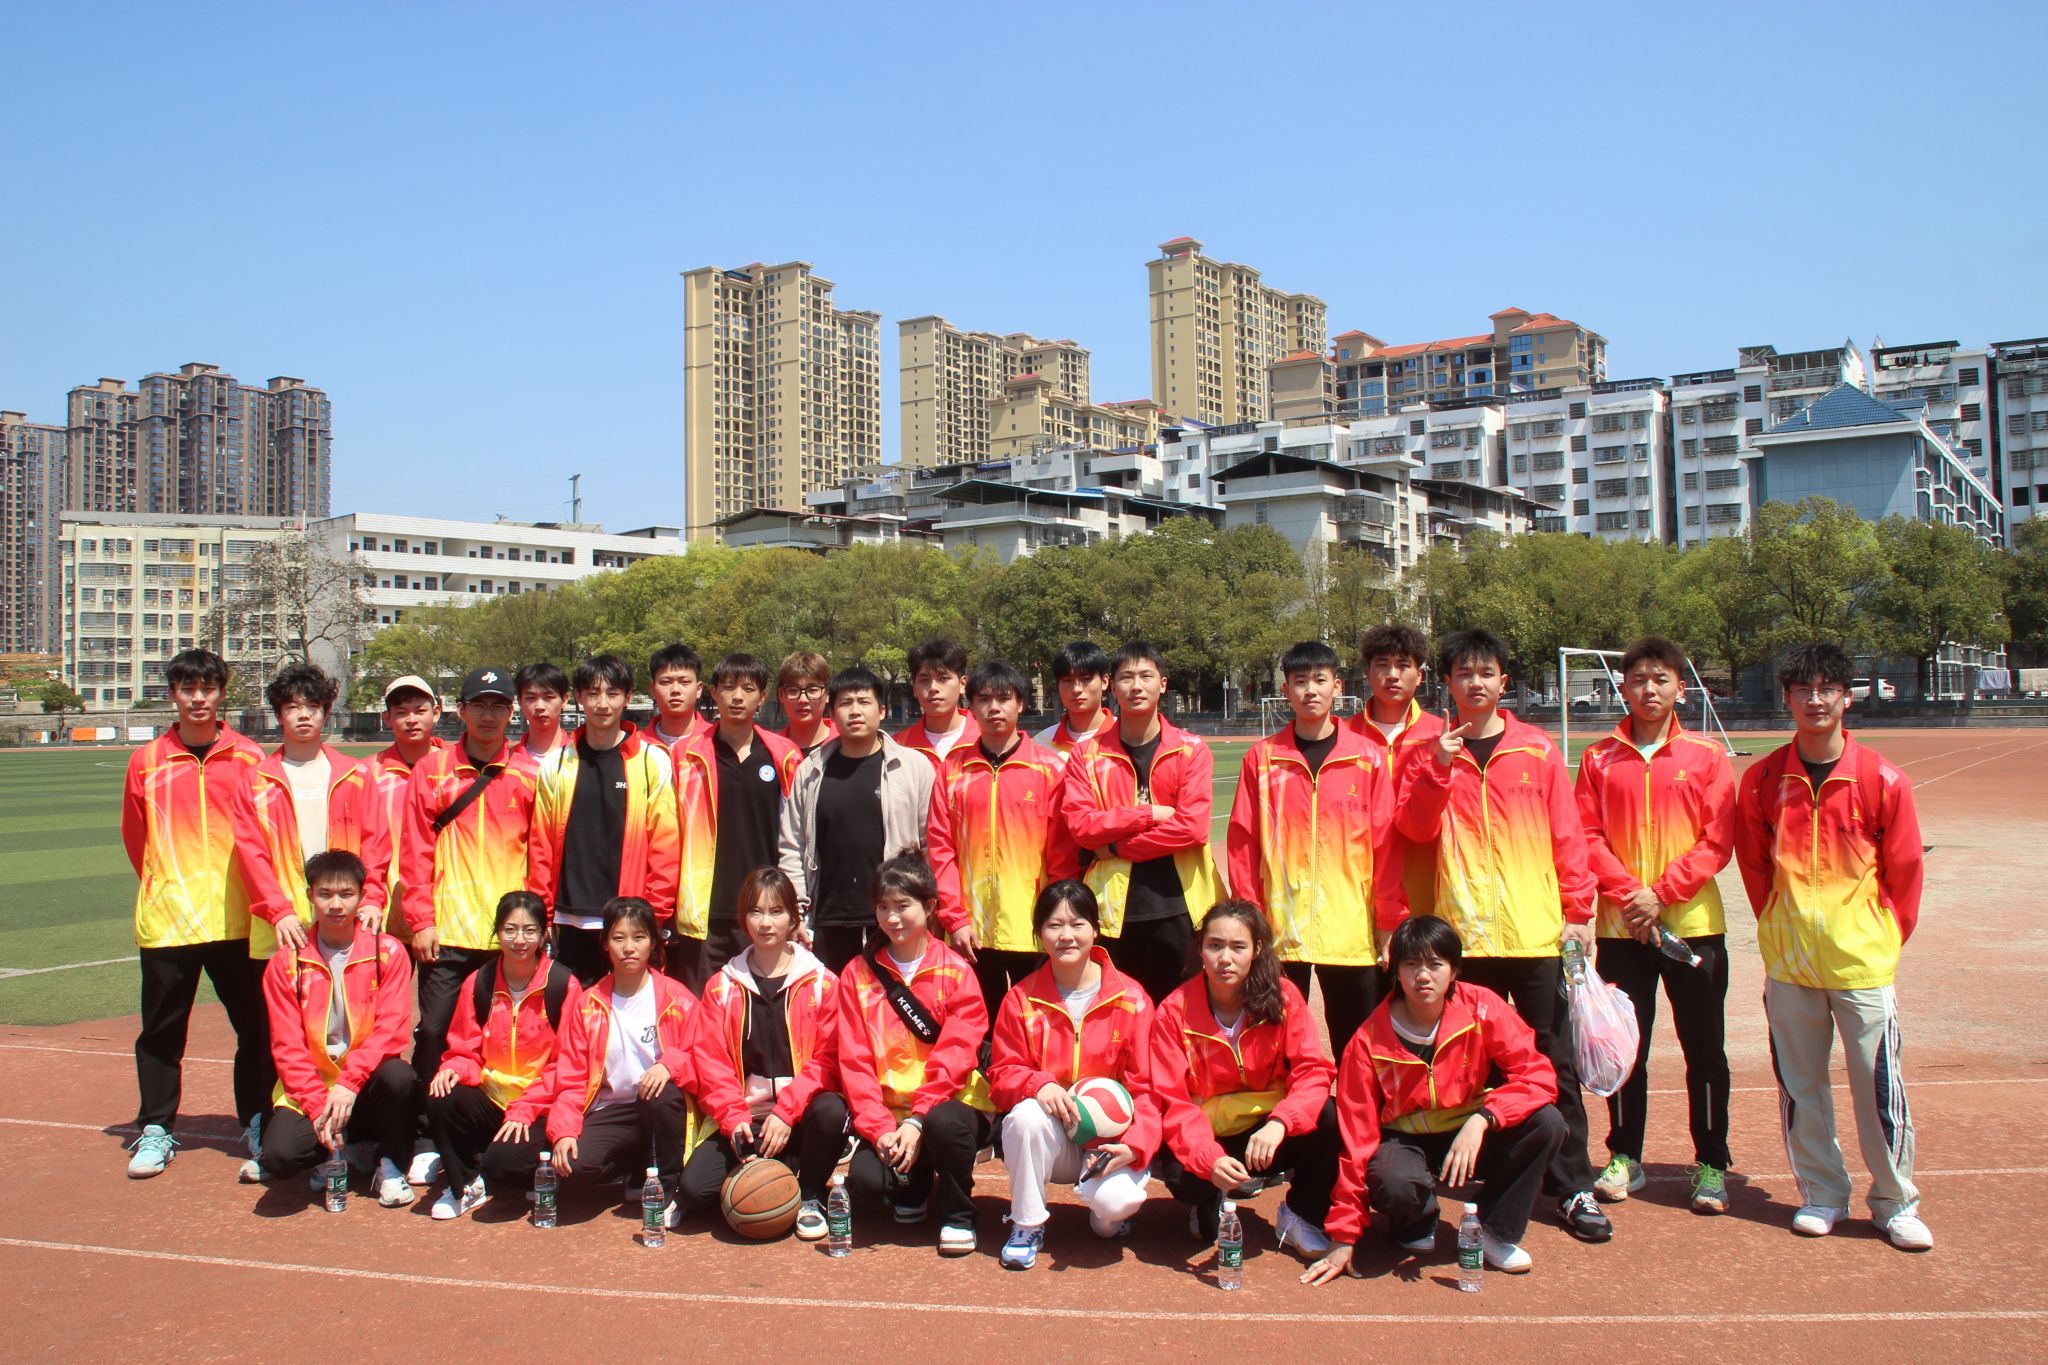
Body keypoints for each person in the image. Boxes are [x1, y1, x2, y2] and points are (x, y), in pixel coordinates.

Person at [1397, 628, 1611, 1243]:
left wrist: (1578, 911)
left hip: (1534, 933)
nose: (1476, 683)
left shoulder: (1537, 749)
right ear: (1448, 684)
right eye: (1464, 674)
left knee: (1552, 1060)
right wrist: (1438, 767)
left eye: (1486, 673)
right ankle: (1491, 1171)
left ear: (1503, 682)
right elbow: (1413, 829)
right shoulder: (1428, 752)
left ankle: (1571, 1186)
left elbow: (1567, 834)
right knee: (1472, 1063)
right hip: (1463, 938)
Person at [1735, 641, 1930, 1251]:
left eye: (1826, 689)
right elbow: (1755, 867)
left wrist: (1881, 935)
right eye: (1803, 690)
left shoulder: (1881, 779)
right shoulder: (1764, 780)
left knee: (1878, 1088)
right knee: (1802, 1088)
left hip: (1862, 962)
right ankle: (1822, 1193)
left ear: (1847, 697)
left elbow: (1904, 872)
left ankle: (1894, 1202)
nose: (1815, 700)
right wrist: (1779, 925)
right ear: (1787, 698)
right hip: (1790, 964)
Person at [1302, 916, 1565, 1285]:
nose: (1422, 976)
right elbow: (1355, 1141)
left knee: (1547, 1123)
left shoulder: (1483, 1008)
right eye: (1411, 964)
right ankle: (1415, 1220)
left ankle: (1494, 1230)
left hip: (1467, 1133)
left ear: (1454, 970)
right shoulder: (1367, 1041)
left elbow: (1537, 1076)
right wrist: (1344, 1237)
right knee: (1393, 1179)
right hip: (1404, 1142)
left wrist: (1484, 1119)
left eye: (1435, 964)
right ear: (1395, 971)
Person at [1574, 637, 1736, 1214]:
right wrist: (1630, 896)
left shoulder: (1707, 756)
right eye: (1639, 679)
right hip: (1623, 930)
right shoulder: (1598, 758)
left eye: (1660, 679)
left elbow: (1717, 840)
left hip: (1692, 926)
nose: (1649, 689)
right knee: (1624, 1049)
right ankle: (1625, 1156)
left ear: (1680, 688)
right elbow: (1586, 836)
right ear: (1623, 687)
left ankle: (1711, 1162)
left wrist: (1661, 894)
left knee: (1705, 1049)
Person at [121, 648, 276, 1180]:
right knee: (161, 1032)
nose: (198, 698)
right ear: (173, 694)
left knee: (255, 1028)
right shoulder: (146, 761)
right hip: (169, 920)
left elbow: (265, 836)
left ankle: (257, 1119)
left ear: (221, 693)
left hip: (239, 921)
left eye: (207, 688)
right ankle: (156, 1128)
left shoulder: (249, 757)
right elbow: (136, 837)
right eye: (187, 688)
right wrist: (166, 883)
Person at [239, 662, 392, 1181]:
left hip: (345, 920)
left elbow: (376, 842)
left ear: (326, 712)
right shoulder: (256, 779)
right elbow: (251, 852)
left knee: (356, 1025)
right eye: (291, 707)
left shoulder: (354, 773)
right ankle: (273, 1130)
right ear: (278, 715)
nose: (302, 716)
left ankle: (357, 1129)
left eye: (312, 706)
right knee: (276, 1035)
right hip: (282, 927)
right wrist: (278, 909)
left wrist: (372, 897)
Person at [1227, 639, 1404, 1058]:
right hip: (1279, 927)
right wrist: (1251, 916)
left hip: (1350, 928)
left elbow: (1386, 843)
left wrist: (1388, 919)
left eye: (1320, 680)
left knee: (1358, 1046)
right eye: (1300, 681)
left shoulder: (1367, 758)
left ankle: (1358, 1105)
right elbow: (1243, 841)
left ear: (1336, 687)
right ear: (1285, 690)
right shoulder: (1263, 758)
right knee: (1278, 1044)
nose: (1311, 690)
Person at [400, 665, 540, 1186]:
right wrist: (421, 920)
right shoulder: (433, 770)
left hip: (510, 939)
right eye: (479, 704)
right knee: (434, 1033)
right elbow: (415, 852)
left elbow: (541, 855)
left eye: (498, 706)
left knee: (509, 1038)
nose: (488, 715)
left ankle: (487, 1129)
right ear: (460, 711)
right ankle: (425, 1136)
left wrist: (538, 922)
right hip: (450, 932)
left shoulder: (527, 773)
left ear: (511, 713)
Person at [988, 881, 1159, 1270]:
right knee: (1024, 1118)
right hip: (1056, 1135)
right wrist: (1038, 1084)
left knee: (1114, 1208)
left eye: (1077, 923)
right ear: (1039, 934)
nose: (1066, 935)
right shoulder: (1021, 999)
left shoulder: (1132, 999)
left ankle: (1107, 1214)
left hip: (1110, 1142)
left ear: (1096, 930)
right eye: (1054, 925)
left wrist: (1135, 1144)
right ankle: (1027, 1224)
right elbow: (1000, 1075)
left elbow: (1148, 1089)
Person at [1149, 901, 1339, 1251]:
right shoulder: (1173, 1012)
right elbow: (1173, 1101)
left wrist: (1281, 1122)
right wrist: (1208, 1157)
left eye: (1238, 947)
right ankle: (1210, 1197)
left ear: (1257, 950)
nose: (1225, 958)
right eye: (1215, 945)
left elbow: (1312, 1071)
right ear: (1200, 949)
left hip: (1266, 1130)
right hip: (1208, 1132)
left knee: (1330, 1116)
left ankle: (1300, 1213)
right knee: (1184, 1179)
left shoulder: (1284, 998)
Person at [834, 854, 993, 1256]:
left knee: (945, 1125)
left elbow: (957, 1056)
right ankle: (914, 1187)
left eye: (903, 906)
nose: (892, 918)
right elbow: (854, 1062)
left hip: (948, 1104)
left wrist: (918, 1119)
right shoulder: (856, 974)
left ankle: (958, 1215)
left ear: (930, 906)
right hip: (889, 1112)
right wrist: (879, 1129)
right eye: (883, 907)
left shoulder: (956, 971)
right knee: (867, 1182)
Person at [682, 868, 849, 1238]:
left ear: (793, 917)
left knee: (831, 1110)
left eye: (776, 911)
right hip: (749, 1117)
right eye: (755, 912)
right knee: (695, 1191)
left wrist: (787, 1113)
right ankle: (777, 1169)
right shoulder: (722, 986)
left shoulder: (822, 983)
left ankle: (810, 1195)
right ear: (743, 917)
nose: (765, 922)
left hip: (801, 1117)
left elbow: (827, 1060)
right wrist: (733, 1118)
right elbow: (710, 1063)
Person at [1059, 640, 1222, 1008]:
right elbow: (1082, 827)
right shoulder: (1087, 755)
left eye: (1146, 676)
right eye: (1126, 677)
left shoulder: (1191, 749)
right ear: (1112, 687)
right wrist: (1148, 814)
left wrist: (1117, 847)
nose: (1136, 686)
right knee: (1120, 1014)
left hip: (1183, 908)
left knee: (1182, 1014)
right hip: (1113, 912)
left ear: (1162, 684)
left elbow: (1192, 829)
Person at [256, 850, 418, 1208]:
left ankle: (390, 1163)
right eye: (325, 894)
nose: (335, 905)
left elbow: (391, 1031)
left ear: (362, 896)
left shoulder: (388, 952)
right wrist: (317, 1106)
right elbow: (287, 1046)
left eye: (346, 894)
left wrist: (349, 1083)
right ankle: (338, 1147)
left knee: (400, 1078)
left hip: (366, 1082)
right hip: (313, 1086)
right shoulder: (287, 962)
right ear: (309, 896)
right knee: (281, 1156)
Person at [928, 659, 1080, 1025]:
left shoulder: (1050, 769)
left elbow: (1062, 855)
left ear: (1021, 704)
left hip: (1033, 927)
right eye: (984, 699)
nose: (994, 708)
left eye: (1004, 698)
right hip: (971, 932)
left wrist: (1055, 918)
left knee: (1036, 1025)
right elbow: (940, 849)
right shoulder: (952, 770)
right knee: (977, 1027)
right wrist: (954, 919)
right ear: (971, 706)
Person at [539, 896, 696, 1227]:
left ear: (653, 942)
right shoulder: (587, 1004)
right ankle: (634, 1166)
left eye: (639, 937)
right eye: (618, 938)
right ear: (604, 943)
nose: (629, 948)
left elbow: (702, 1053)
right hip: (613, 1109)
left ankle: (668, 1189)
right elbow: (571, 1077)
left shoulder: (678, 998)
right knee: (574, 1170)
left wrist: (669, 1064)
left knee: (663, 1095)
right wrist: (564, 1130)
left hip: (662, 1106)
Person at [527, 655, 681, 986]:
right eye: (593, 693)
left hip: (625, 920)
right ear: (578, 697)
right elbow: (540, 846)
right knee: (569, 1010)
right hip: (568, 917)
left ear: (628, 697)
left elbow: (665, 846)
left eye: (612, 693)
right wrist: (541, 913)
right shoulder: (557, 763)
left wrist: (653, 914)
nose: (602, 704)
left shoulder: (651, 761)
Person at [423, 890, 577, 1219]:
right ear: (497, 931)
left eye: (529, 930)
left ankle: (519, 1168)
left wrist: (526, 1108)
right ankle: (465, 1185)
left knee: (504, 1165)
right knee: (442, 1094)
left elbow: (567, 1066)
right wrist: (455, 1067)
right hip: (492, 1097)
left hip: (539, 1106)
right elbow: (463, 1046)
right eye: (510, 930)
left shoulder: (563, 985)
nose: (519, 940)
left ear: (543, 935)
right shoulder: (479, 982)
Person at [779, 666, 937, 973]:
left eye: (864, 702)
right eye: (845, 703)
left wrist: (925, 907)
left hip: (894, 917)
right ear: (831, 712)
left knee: (893, 998)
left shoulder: (913, 767)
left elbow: (930, 843)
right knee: (832, 998)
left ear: (882, 710)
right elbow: (792, 846)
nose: (855, 711)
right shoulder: (811, 770)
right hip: (827, 917)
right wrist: (796, 909)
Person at [672, 653, 802, 989]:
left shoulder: (784, 755)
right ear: (713, 693)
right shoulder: (686, 755)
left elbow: (797, 835)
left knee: (760, 1003)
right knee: (702, 1004)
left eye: (748, 688)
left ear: (762, 696)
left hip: (765, 908)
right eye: (729, 688)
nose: (737, 697)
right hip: (705, 909)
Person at [1349, 623, 1443, 927]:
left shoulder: (1443, 737)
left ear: (1420, 675)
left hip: (1426, 889)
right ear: (1367, 672)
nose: (1392, 675)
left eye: (1403, 665)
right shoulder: (1342, 737)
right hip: (1355, 888)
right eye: (1382, 665)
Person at [365, 675, 444, 937]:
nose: (411, 719)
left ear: (436, 713)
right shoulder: (367, 773)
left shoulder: (456, 769)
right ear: (387, 718)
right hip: (387, 912)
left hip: (447, 910)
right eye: (401, 712)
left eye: (420, 711)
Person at [894, 638, 978, 766]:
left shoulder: (987, 738)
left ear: (962, 684)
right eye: (924, 680)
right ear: (915, 688)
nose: (933, 688)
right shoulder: (897, 748)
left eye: (943, 678)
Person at [1031, 640, 1114, 767]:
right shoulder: (1040, 745)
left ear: (1104, 682)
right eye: (1067, 680)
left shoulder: (1125, 736)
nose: (1076, 689)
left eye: (1086, 679)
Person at [646, 643, 712, 750]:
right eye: (666, 682)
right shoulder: (635, 746)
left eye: (684, 682)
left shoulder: (717, 741)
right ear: (653, 690)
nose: (675, 690)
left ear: (698, 689)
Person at [775, 650, 838, 755]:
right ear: (781, 695)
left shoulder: (846, 742)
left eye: (812, 690)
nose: (803, 699)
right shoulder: (771, 751)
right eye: (793, 690)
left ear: (828, 694)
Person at [514, 661, 570, 767]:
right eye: (531, 698)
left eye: (548, 697)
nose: (539, 706)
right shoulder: (507, 762)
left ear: (564, 700)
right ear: (520, 701)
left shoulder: (580, 758)